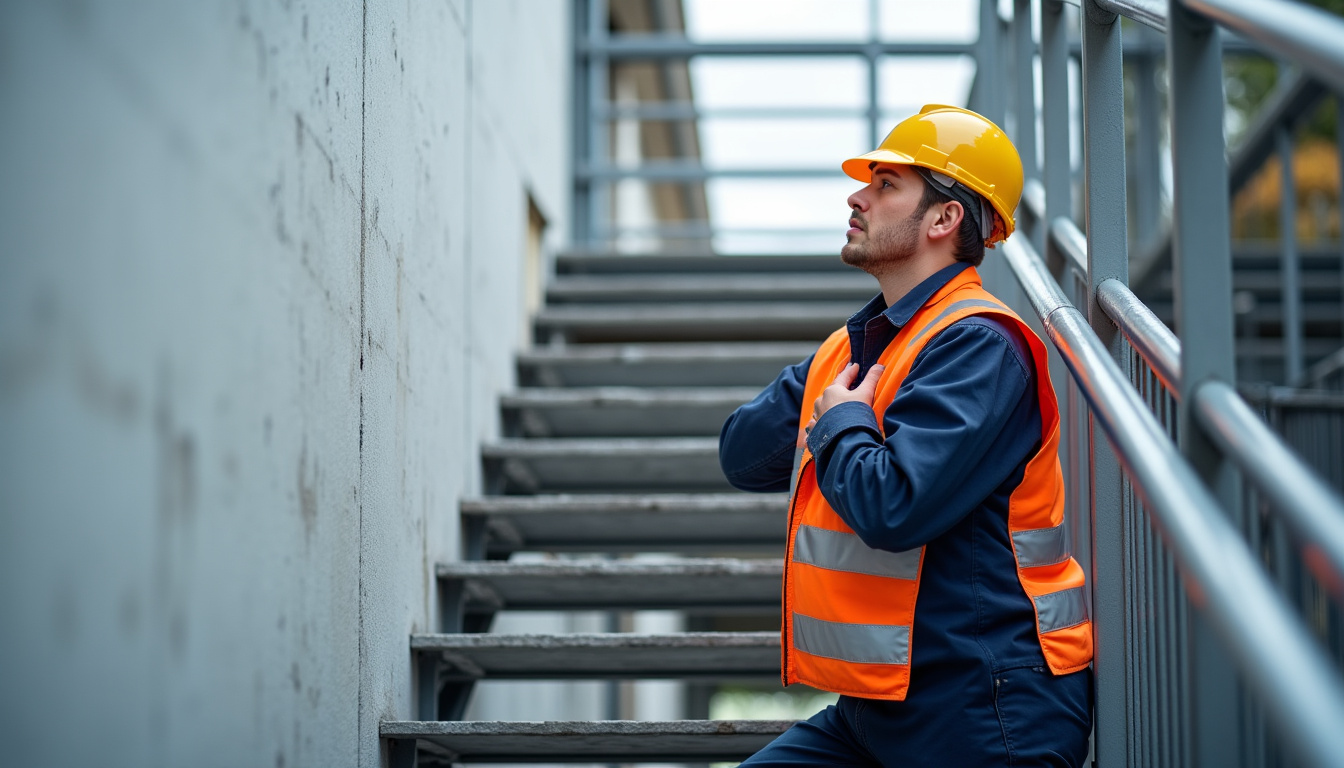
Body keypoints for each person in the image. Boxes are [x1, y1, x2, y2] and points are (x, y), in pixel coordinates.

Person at [718, 105, 1093, 767]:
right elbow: (742, 454)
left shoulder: (983, 345)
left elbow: (893, 506)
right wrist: (831, 393)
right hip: (878, 708)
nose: (856, 195)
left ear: (945, 219)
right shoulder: (855, 349)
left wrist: (840, 421)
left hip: (987, 708)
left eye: (886, 184)